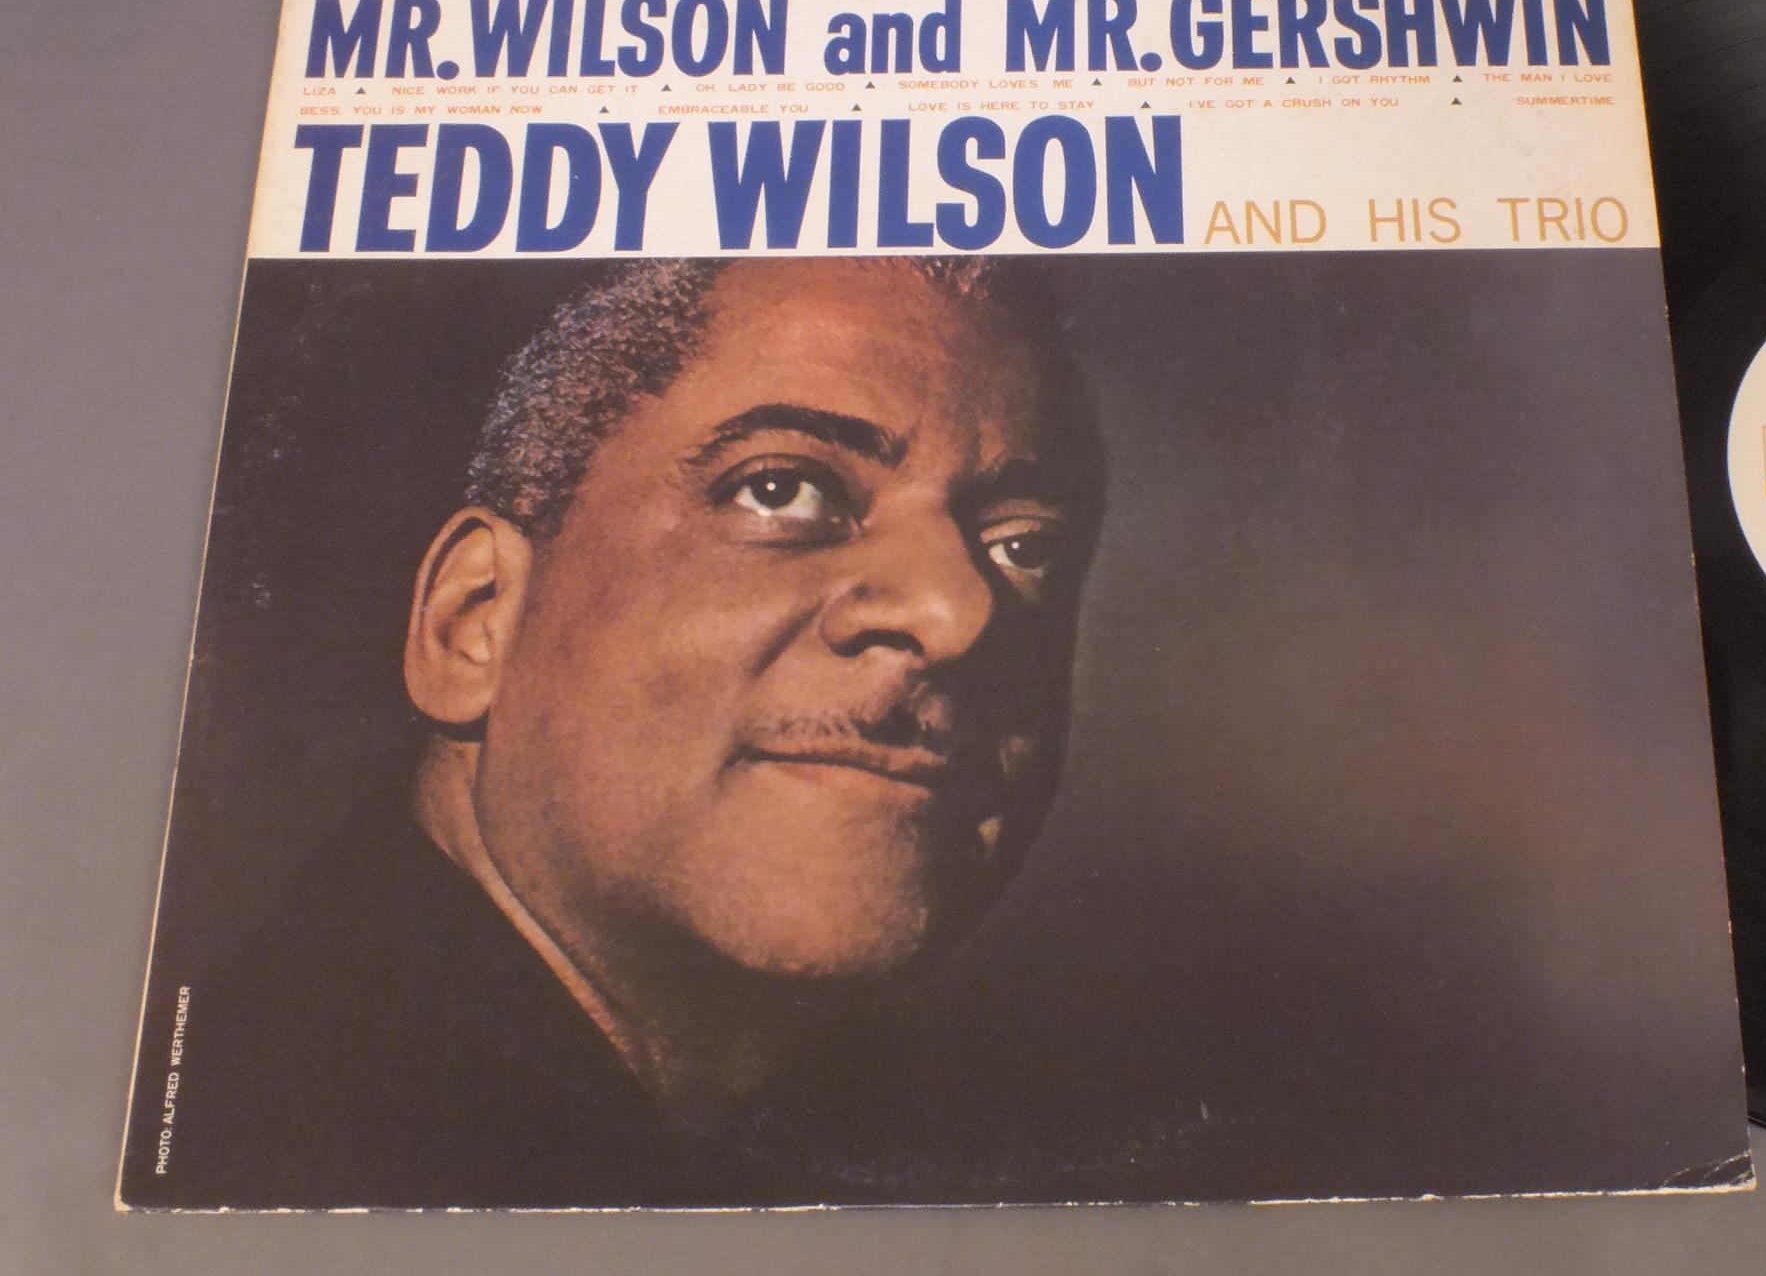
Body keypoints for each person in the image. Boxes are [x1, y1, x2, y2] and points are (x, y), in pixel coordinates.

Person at [149, 255, 1105, 1208]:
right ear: (474, 621)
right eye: (782, 490)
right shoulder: (253, 1147)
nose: (956, 612)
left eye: (1024, 547)